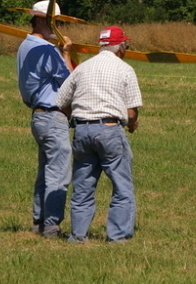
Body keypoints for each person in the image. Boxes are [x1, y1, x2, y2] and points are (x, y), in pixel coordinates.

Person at [55, 26, 143, 243]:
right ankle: (118, 236)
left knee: (83, 187)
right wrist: (131, 125)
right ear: (120, 47)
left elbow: (60, 102)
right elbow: (131, 112)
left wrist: (75, 115)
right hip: (110, 130)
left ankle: (77, 236)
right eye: (126, 45)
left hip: (82, 131)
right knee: (122, 186)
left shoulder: (83, 69)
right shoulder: (125, 69)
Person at [16, 0, 75, 238]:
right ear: (40, 20)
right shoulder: (47, 50)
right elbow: (71, 82)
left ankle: (39, 222)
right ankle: (51, 227)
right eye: (54, 22)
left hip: (38, 117)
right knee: (59, 174)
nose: (57, 27)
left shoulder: (25, 45)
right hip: (52, 117)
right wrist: (67, 54)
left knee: (45, 173)